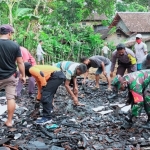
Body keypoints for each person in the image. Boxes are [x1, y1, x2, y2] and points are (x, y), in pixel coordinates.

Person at [0, 24, 26, 127]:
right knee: (10, 98)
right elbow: (20, 62)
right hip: (10, 75)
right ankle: (9, 121)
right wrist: (23, 75)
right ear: (9, 33)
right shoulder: (15, 45)